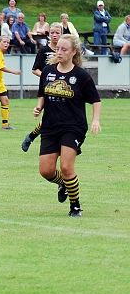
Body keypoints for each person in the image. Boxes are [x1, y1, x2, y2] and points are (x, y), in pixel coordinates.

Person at [34, 34, 101, 217]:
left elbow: (96, 100)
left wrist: (95, 120)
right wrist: (39, 106)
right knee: (46, 170)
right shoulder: (47, 71)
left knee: (66, 167)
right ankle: (63, 183)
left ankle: (75, 206)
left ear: (73, 52)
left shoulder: (81, 76)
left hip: (74, 127)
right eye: (58, 49)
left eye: (64, 49)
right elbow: (43, 93)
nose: (60, 52)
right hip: (50, 126)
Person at [22, 22, 62, 152]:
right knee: (50, 117)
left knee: (59, 117)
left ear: (62, 34)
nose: (55, 35)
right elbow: (35, 69)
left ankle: (33, 136)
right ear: (48, 34)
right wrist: (47, 77)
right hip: (48, 89)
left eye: (58, 33)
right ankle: (33, 136)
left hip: (64, 88)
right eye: (52, 33)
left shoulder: (66, 50)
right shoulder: (44, 50)